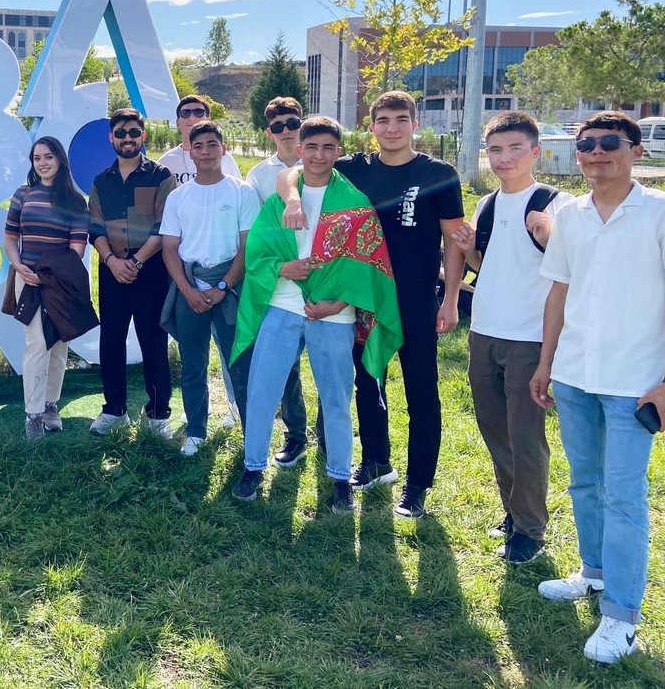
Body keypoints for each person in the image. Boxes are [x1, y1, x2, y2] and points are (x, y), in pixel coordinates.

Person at [280, 90, 465, 519]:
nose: (392, 128)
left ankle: (418, 484)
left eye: (401, 119)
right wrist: (292, 198)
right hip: (363, 299)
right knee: (367, 381)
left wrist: (451, 298)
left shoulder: (439, 173)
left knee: (421, 391)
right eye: (383, 120)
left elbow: (455, 243)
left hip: (415, 298)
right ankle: (377, 462)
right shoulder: (355, 169)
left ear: (414, 124)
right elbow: (292, 174)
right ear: (372, 125)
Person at [529, 111, 665, 665]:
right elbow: (558, 293)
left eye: (610, 143)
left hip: (635, 381)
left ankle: (621, 616)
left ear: (635, 149)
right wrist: (545, 364)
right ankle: (593, 572)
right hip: (574, 374)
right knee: (584, 481)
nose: (596, 152)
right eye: (586, 145)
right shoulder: (572, 217)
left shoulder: (658, 214)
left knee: (624, 495)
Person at [231, 117, 402, 509]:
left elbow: (367, 262)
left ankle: (340, 476)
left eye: (328, 147)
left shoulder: (354, 203)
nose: (319, 155)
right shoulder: (282, 199)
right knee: (262, 391)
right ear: (300, 151)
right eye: (312, 147)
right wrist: (281, 269)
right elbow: (257, 248)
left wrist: (339, 304)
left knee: (336, 397)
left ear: (338, 151)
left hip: (332, 316)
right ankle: (253, 466)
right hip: (282, 307)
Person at [451, 113, 571, 565]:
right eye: (496, 150)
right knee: (494, 428)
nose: (504, 159)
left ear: (536, 151)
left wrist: (549, 234)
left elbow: (571, 268)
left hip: (529, 338)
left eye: (515, 148)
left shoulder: (556, 204)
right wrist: (467, 250)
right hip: (484, 331)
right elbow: (488, 266)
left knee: (525, 435)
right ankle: (514, 510)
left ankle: (530, 530)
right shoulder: (486, 204)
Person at [160, 120, 259, 456]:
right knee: (192, 363)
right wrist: (188, 290)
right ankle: (197, 431)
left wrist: (222, 285)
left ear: (223, 148)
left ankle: (252, 436)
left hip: (229, 288)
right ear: (189, 151)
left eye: (211, 145)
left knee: (239, 363)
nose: (205, 151)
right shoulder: (177, 197)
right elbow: (169, 248)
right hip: (190, 288)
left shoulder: (242, 192)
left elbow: (247, 248)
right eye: (197, 145)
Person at [87, 108, 176, 438]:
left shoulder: (161, 176)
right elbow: (93, 226)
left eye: (133, 133)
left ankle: (157, 415)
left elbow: (163, 225)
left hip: (150, 270)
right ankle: (114, 410)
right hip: (112, 269)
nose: (128, 138)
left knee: (153, 341)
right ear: (111, 138)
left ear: (144, 136)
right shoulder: (101, 181)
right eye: (121, 133)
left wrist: (136, 262)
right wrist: (111, 260)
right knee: (110, 340)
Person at [4, 136, 90, 440]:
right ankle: (33, 415)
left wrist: (47, 274)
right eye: (37, 157)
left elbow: (76, 249)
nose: (42, 163)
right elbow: (11, 238)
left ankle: (51, 404)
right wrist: (18, 266)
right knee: (37, 342)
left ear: (60, 160)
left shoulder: (75, 201)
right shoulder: (22, 195)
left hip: (59, 282)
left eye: (48, 157)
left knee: (59, 344)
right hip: (26, 280)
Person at [245, 96, 309, 466]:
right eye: (278, 126)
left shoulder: (323, 161)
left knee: (333, 367)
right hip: (281, 283)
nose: (287, 130)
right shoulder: (258, 175)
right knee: (286, 367)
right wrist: (280, 268)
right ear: (269, 132)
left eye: (292, 122)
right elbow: (258, 233)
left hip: (324, 280)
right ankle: (296, 434)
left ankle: (333, 440)